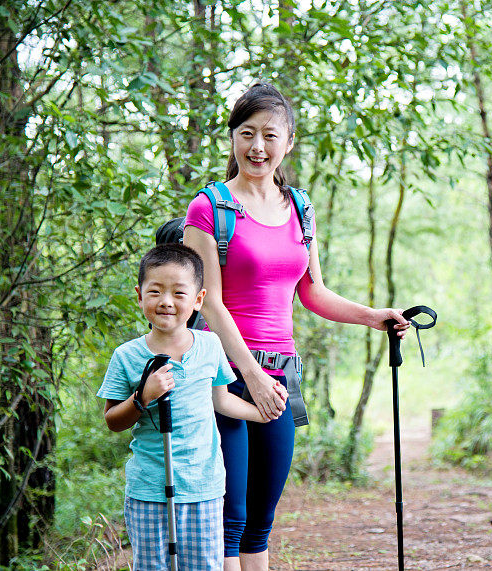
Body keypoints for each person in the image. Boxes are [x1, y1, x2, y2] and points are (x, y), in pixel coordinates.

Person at [182, 82, 409, 571]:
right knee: (230, 518)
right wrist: (253, 377)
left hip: (281, 376)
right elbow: (211, 304)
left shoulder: (300, 208)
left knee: (261, 519)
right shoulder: (209, 208)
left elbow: (313, 292)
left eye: (269, 135)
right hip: (224, 373)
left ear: (289, 142)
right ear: (232, 138)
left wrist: (376, 317)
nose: (257, 147)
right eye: (247, 134)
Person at [97, 243, 272, 569]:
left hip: (202, 487)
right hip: (149, 489)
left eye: (179, 292)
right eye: (155, 291)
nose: (166, 301)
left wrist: (262, 414)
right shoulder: (127, 356)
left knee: (204, 565)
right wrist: (142, 397)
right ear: (139, 295)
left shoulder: (210, 345)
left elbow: (220, 399)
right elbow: (112, 421)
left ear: (198, 299)